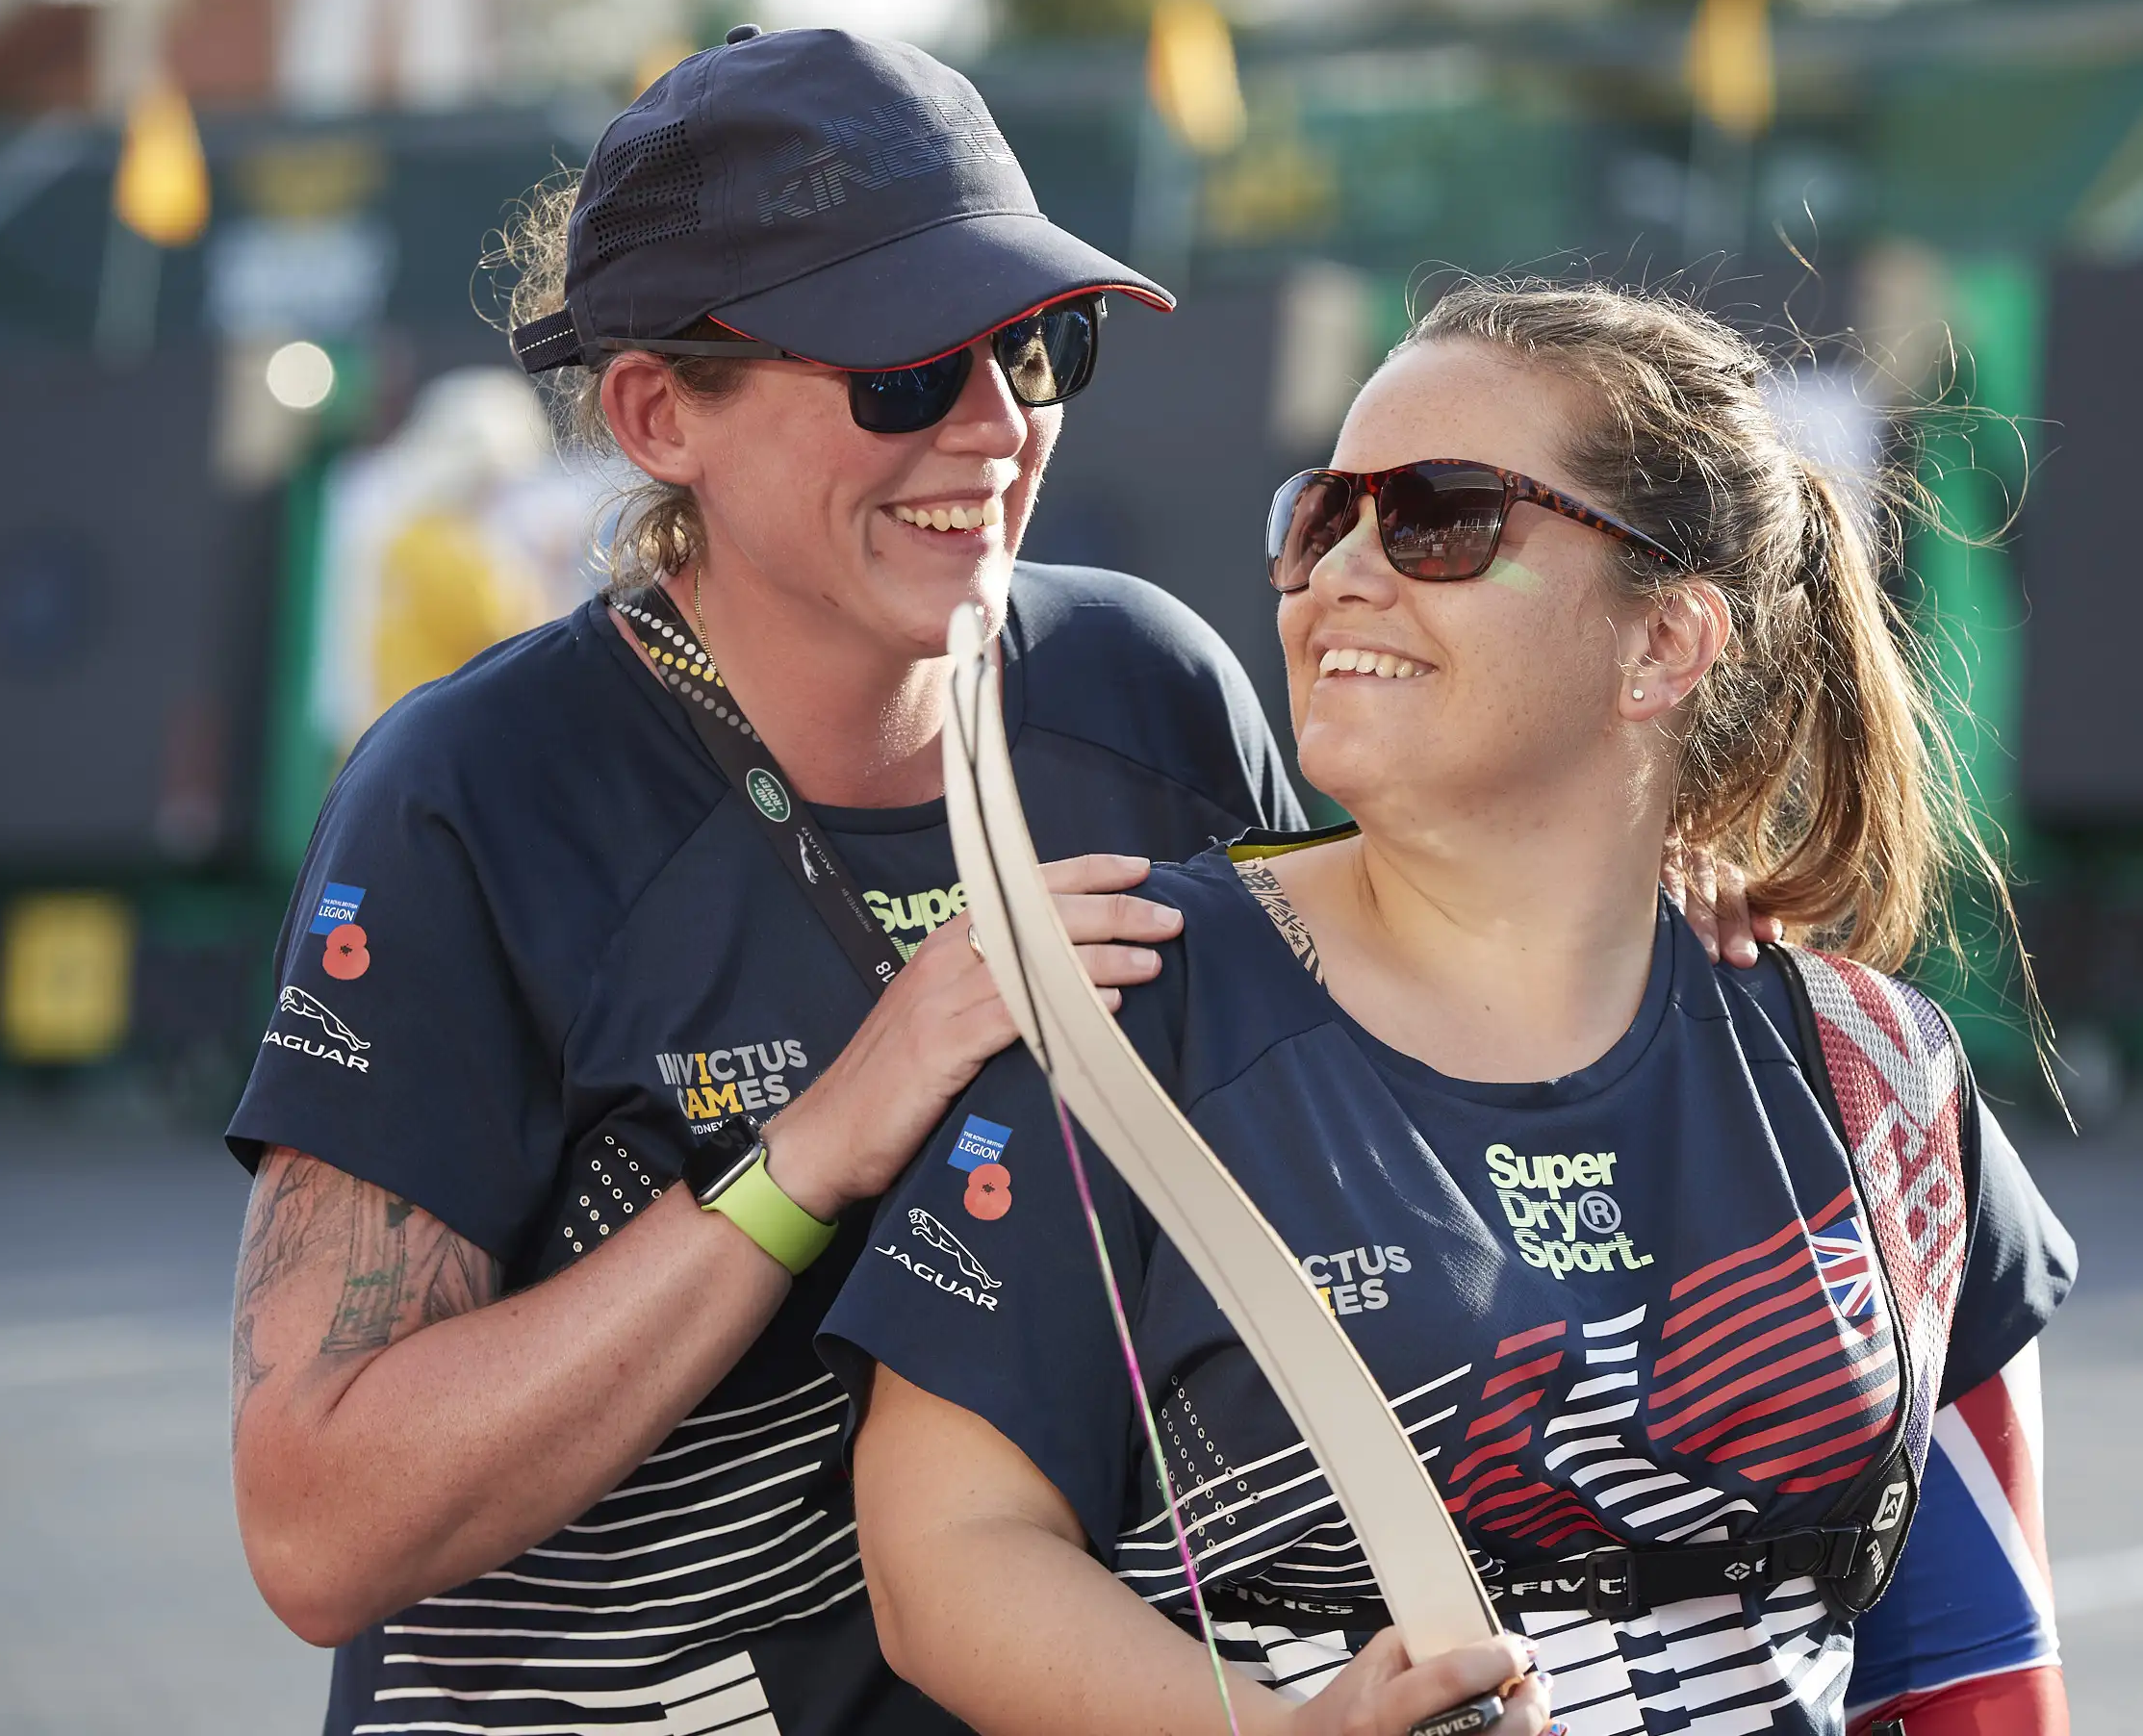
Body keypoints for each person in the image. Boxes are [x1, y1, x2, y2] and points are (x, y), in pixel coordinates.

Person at [224, 30, 1766, 1736]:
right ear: (661, 414)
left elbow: (1390, 1030)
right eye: (900, 374)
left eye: (1037, 347)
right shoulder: (481, 793)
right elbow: (316, 1526)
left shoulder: (1144, 690)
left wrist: (1622, 892)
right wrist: (827, 1136)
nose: (995, 428)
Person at [823, 281, 2079, 1736]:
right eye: (1321, 514)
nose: (1340, 572)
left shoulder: (1874, 1070)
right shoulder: (1127, 1007)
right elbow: (945, 1560)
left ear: (1666, 644)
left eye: (1440, 516)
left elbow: (1973, 1643)